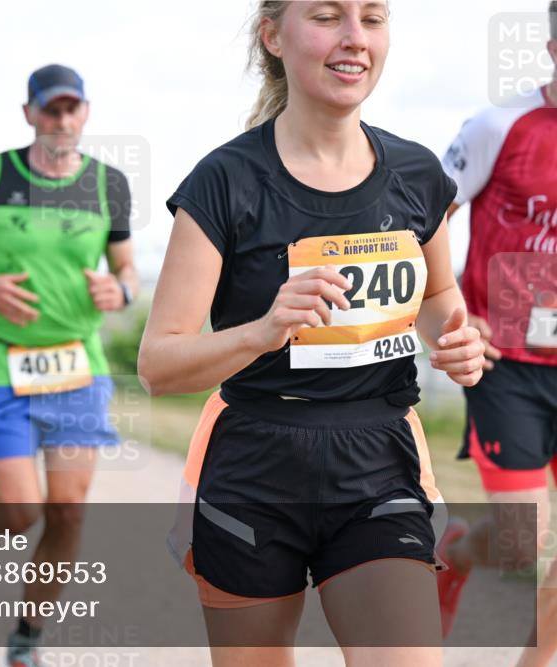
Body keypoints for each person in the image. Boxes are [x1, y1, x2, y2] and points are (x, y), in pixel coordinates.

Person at [140, 2, 486, 665]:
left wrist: (453, 334)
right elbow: (159, 364)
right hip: (254, 467)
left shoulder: (417, 177)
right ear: (272, 35)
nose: (355, 37)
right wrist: (264, 330)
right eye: (328, 16)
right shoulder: (225, 182)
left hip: (377, 458)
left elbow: (438, 295)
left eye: (373, 18)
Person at [0, 63, 138, 667]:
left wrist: (121, 292)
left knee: (68, 511)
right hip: (0, 358)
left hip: (76, 364)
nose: (62, 120)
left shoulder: (109, 185)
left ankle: (26, 637)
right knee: (20, 513)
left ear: (87, 114)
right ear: (29, 114)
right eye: (51, 109)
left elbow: (127, 269)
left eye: (73, 108)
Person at [435, 3, 557, 662]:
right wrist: (457, 310)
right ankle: (458, 550)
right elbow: (427, 215)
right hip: (506, 362)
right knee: (522, 543)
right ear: (553, 50)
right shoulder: (498, 125)